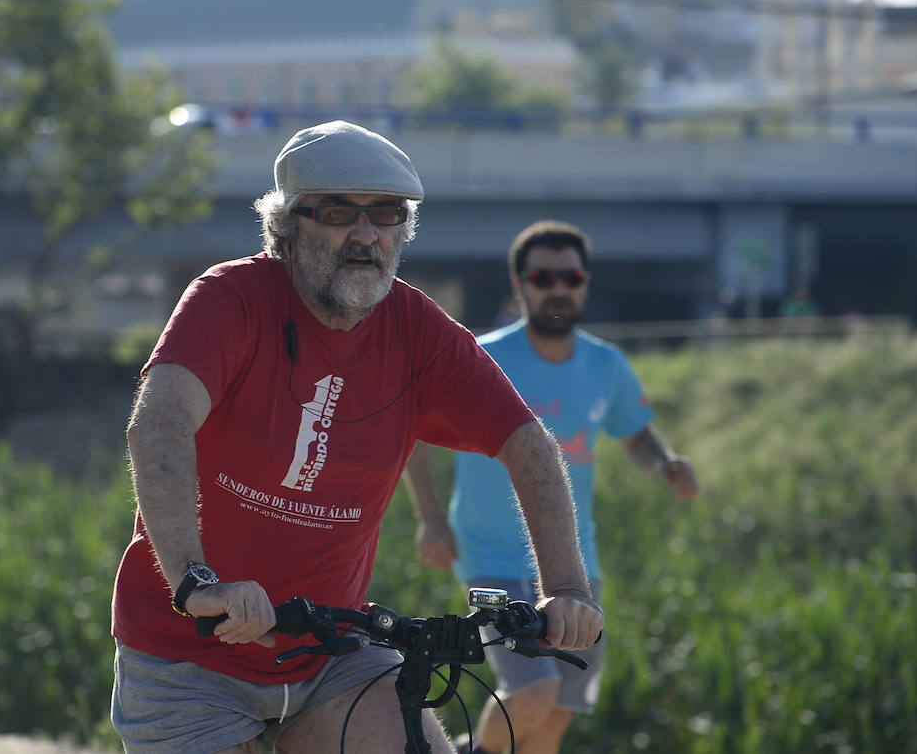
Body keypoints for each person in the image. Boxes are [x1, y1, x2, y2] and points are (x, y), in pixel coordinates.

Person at [110, 122, 603, 753]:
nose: (366, 235)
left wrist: (565, 590)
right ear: (288, 226)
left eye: (387, 215)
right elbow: (159, 423)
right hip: (188, 655)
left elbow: (529, 446)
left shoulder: (415, 328)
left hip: (330, 656)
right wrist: (195, 581)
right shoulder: (229, 299)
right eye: (340, 213)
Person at [406, 220, 698, 754]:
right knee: (532, 691)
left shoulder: (605, 364)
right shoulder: (480, 356)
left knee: (560, 713)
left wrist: (665, 462)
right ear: (520, 285)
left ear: (584, 283)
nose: (557, 287)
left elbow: (635, 434)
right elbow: (415, 433)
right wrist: (430, 519)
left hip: (575, 563)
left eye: (570, 276)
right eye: (542, 276)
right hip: (491, 555)